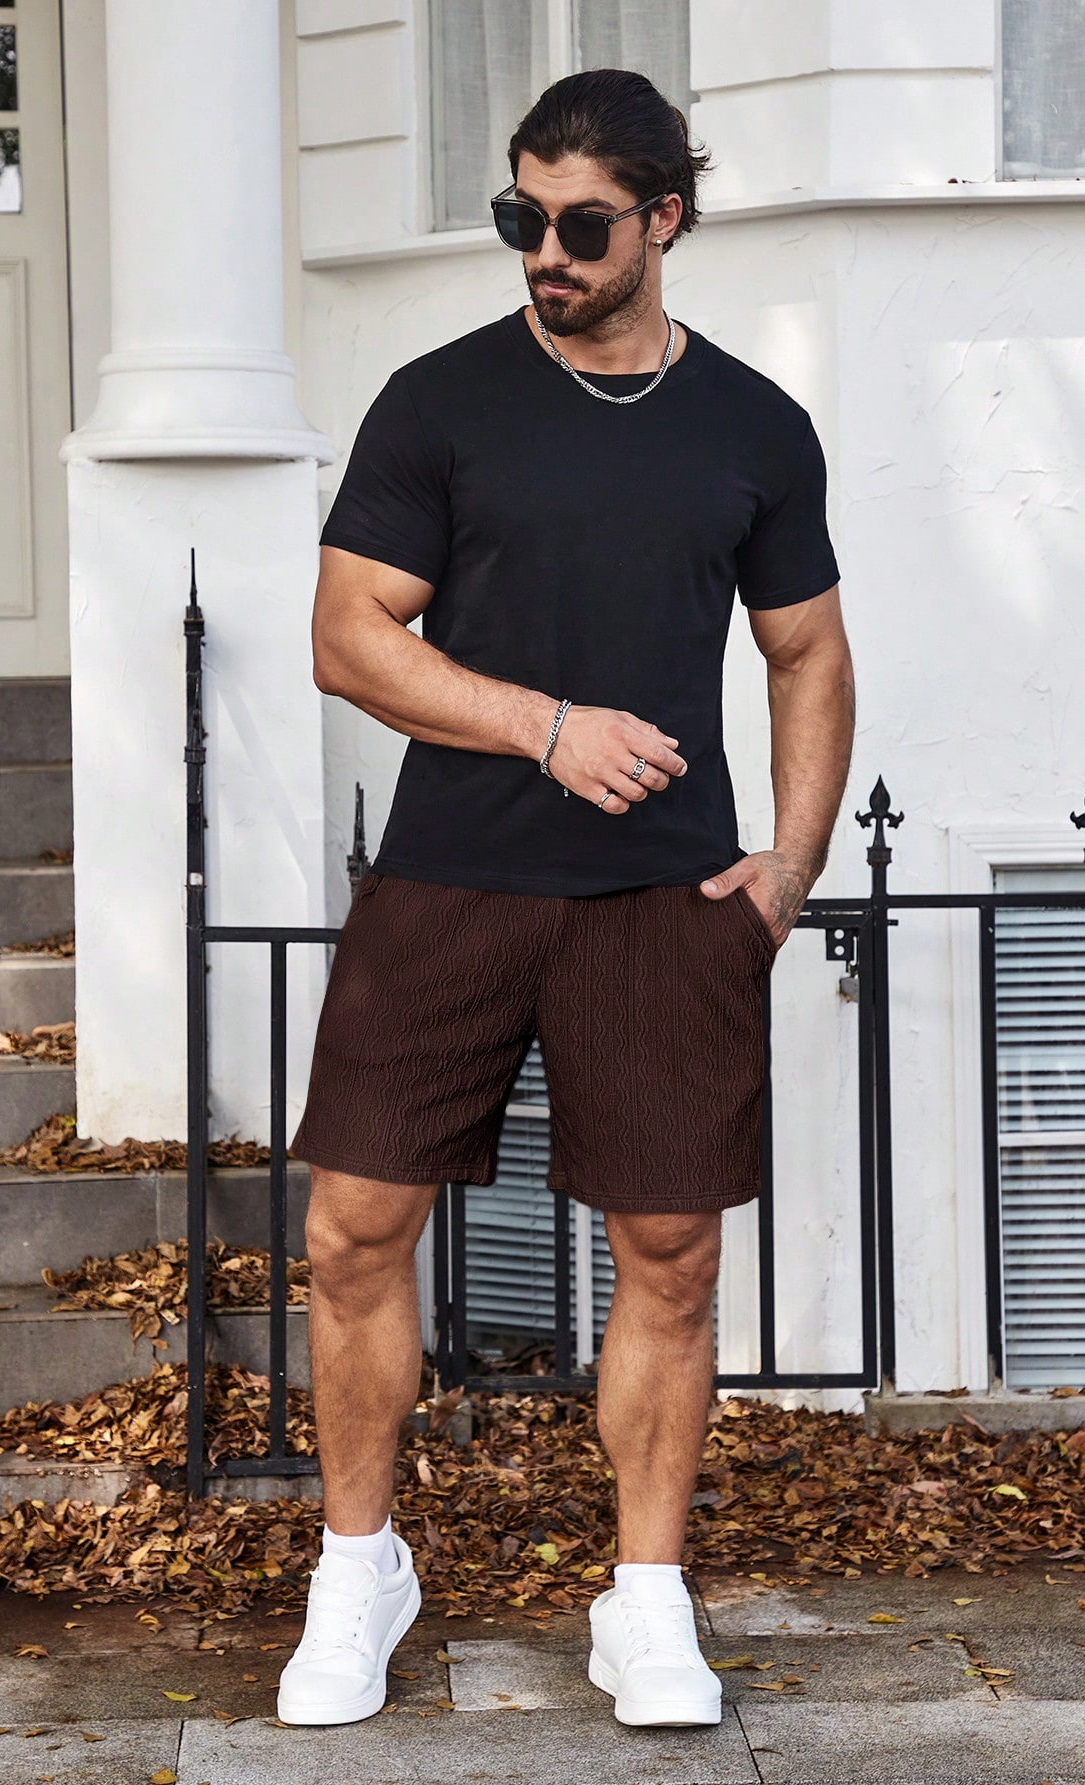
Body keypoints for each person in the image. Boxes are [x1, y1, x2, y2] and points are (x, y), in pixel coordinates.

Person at [276, 66, 854, 1732]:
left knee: (669, 1251)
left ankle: (646, 1598)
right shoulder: (439, 402)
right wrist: (543, 725)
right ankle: (359, 1567)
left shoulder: (754, 425)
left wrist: (790, 863)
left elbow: (808, 652)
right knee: (352, 1228)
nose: (545, 251)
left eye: (580, 224)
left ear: (665, 217)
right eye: (519, 217)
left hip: (663, 899)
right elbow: (348, 638)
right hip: (449, 878)